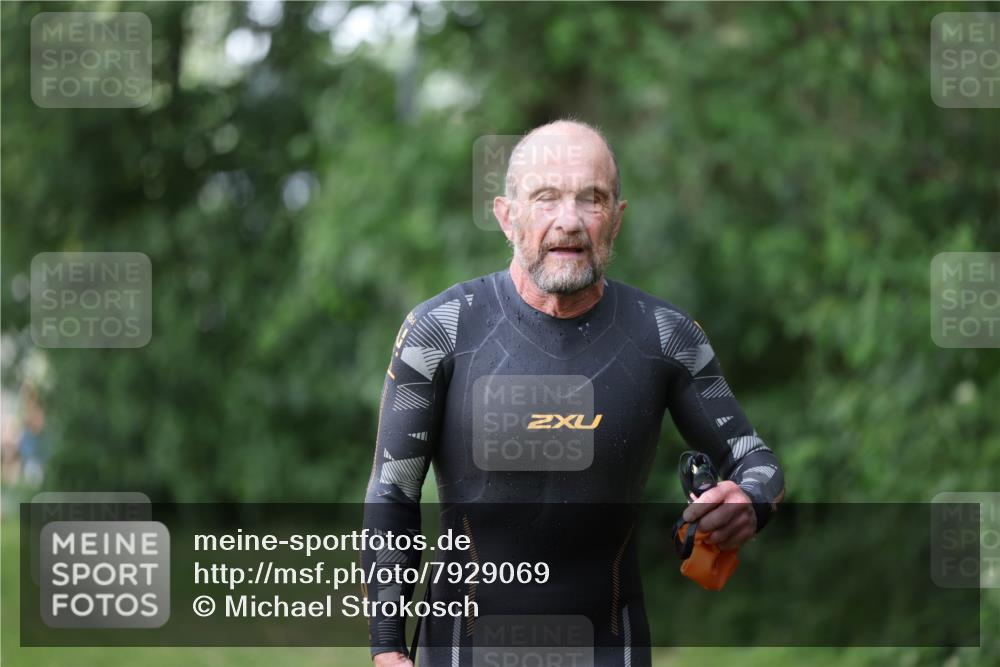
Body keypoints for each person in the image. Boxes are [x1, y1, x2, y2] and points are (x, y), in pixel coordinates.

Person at [362, 120, 785, 666]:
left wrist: (749, 503)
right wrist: (387, 649)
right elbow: (392, 495)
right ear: (505, 215)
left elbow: (757, 462)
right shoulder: (441, 330)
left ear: (618, 218)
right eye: (546, 198)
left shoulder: (665, 335)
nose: (569, 221)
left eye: (592, 199)